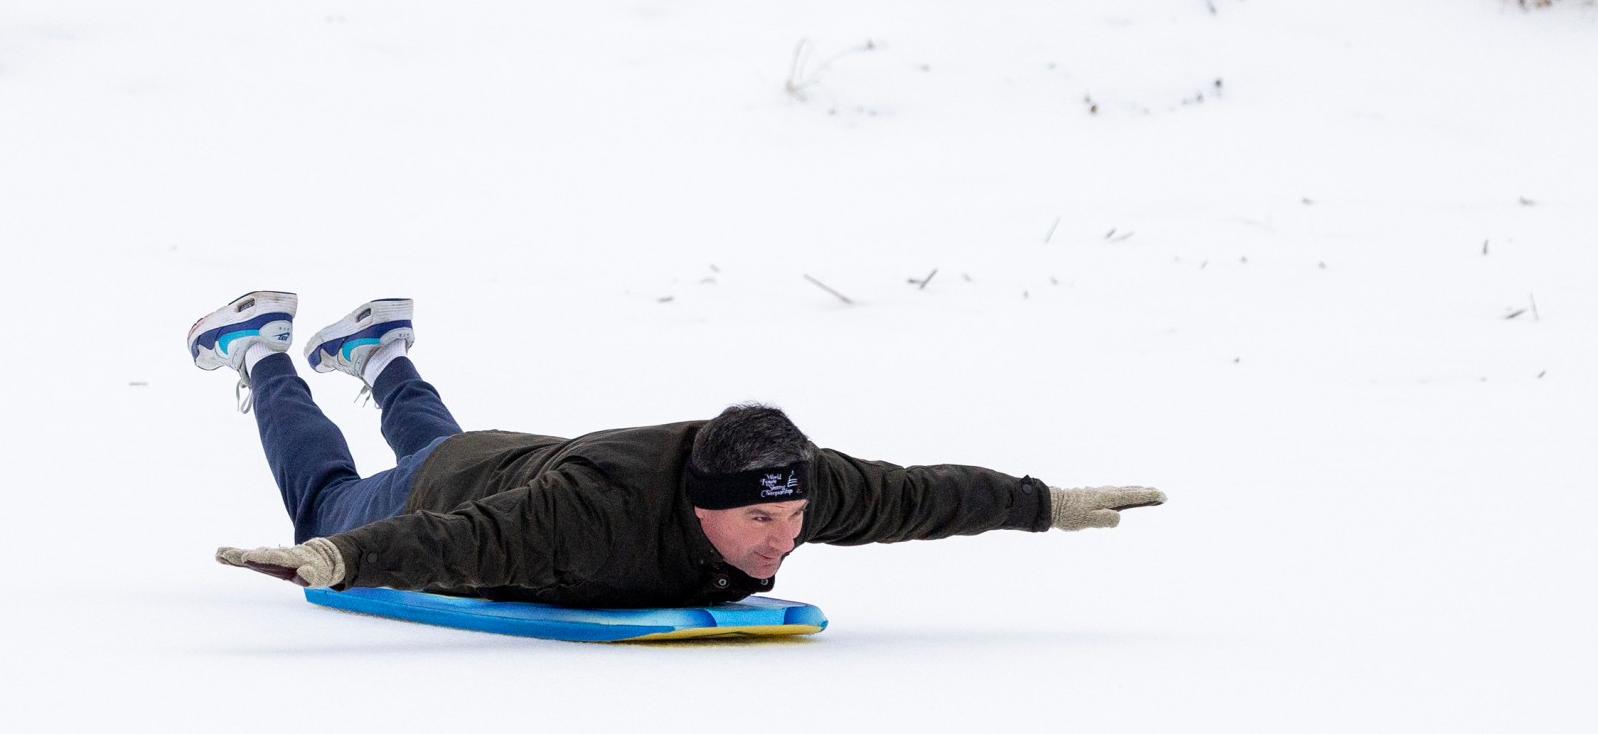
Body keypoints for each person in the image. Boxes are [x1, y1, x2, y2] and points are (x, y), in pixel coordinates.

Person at [190, 290, 1165, 607]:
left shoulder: (791, 480)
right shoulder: (587, 514)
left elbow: (919, 495)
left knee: (454, 452)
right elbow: (461, 543)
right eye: (759, 522)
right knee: (330, 498)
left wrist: (1047, 503)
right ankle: (266, 350)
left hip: (504, 458)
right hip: (476, 490)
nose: (782, 542)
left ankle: (378, 352)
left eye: (792, 519)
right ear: (699, 502)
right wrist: (338, 557)